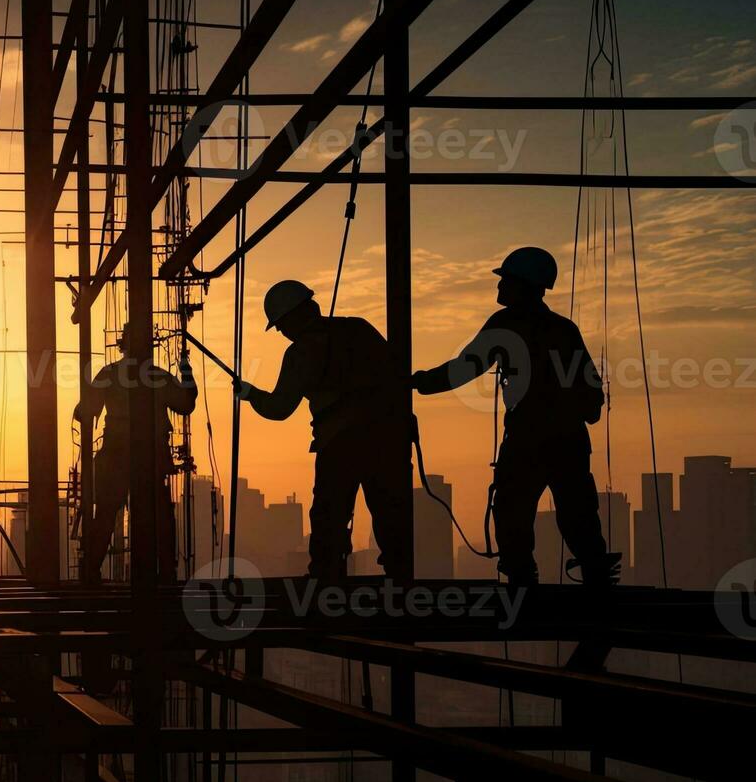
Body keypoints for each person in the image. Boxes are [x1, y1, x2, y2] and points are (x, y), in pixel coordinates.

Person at [412, 247, 618, 586]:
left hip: (528, 438)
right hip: (569, 438)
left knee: (512, 508)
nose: (499, 288)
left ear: (523, 285)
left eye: (505, 281)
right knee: (575, 509)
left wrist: (419, 382)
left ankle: (523, 576)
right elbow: (591, 392)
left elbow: (465, 368)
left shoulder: (507, 325)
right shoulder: (563, 329)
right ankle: (595, 571)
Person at [235, 280, 413, 581]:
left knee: (330, 514)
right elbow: (394, 373)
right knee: (389, 508)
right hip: (388, 436)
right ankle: (399, 575)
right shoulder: (358, 329)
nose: (279, 331)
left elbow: (279, 409)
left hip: (340, 442)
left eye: (280, 324)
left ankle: (325, 577)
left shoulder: (302, 352)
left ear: (294, 316)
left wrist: (251, 394)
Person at [73, 324, 198, 585]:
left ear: (123, 344)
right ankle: (165, 573)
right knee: (159, 515)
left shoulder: (109, 374)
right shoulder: (158, 377)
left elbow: (85, 411)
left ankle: (91, 570)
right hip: (150, 453)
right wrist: (185, 367)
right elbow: (186, 402)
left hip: (116, 452)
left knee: (106, 511)